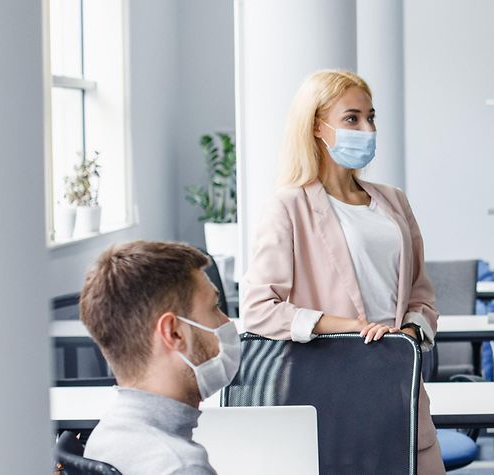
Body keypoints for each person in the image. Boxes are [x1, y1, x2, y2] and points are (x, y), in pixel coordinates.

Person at [242, 69, 445, 474]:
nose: (367, 128)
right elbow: (257, 309)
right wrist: (346, 327)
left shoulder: (394, 202)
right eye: (352, 118)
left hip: (398, 386)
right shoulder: (288, 206)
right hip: (329, 394)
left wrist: (408, 333)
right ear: (318, 127)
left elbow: (421, 294)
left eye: (371, 117)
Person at [80, 241, 236, 474]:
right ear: (174, 333)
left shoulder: (104, 436)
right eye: (214, 307)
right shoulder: (181, 466)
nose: (227, 322)